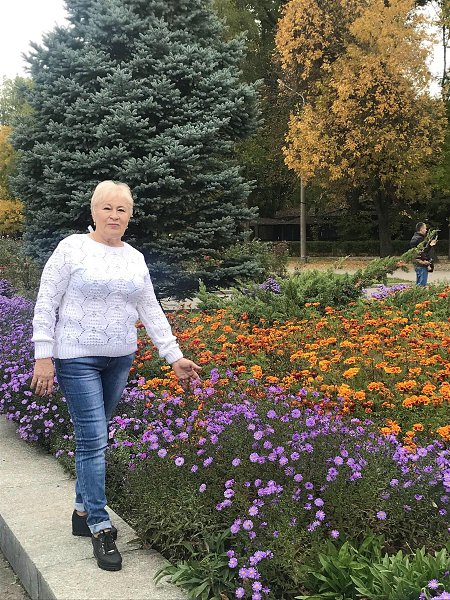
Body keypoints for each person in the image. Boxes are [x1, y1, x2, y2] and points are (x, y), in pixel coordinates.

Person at [30, 180, 201, 572]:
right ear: (93, 211)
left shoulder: (134, 258)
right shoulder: (72, 248)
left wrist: (174, 355)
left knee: (97, 437)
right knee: (93, 439)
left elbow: (150, 308)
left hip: (119, 359)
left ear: (129, 216)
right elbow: (46, 301)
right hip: (76, 358)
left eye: (121, 209)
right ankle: (99, 524)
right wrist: (43, 356)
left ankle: (80, 510)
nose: (114, 215)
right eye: (106, 207)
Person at [409, 222, 437, 287]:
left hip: (417, 264)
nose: (426, 230)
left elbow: (416, 252)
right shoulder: (420, 239)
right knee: (422, 285)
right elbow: (423, 251)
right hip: (422, 263)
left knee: (418, 283)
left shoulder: (414, 238)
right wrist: (431, 245)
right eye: (425, 228)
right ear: (421, 229)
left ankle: (416, 292)